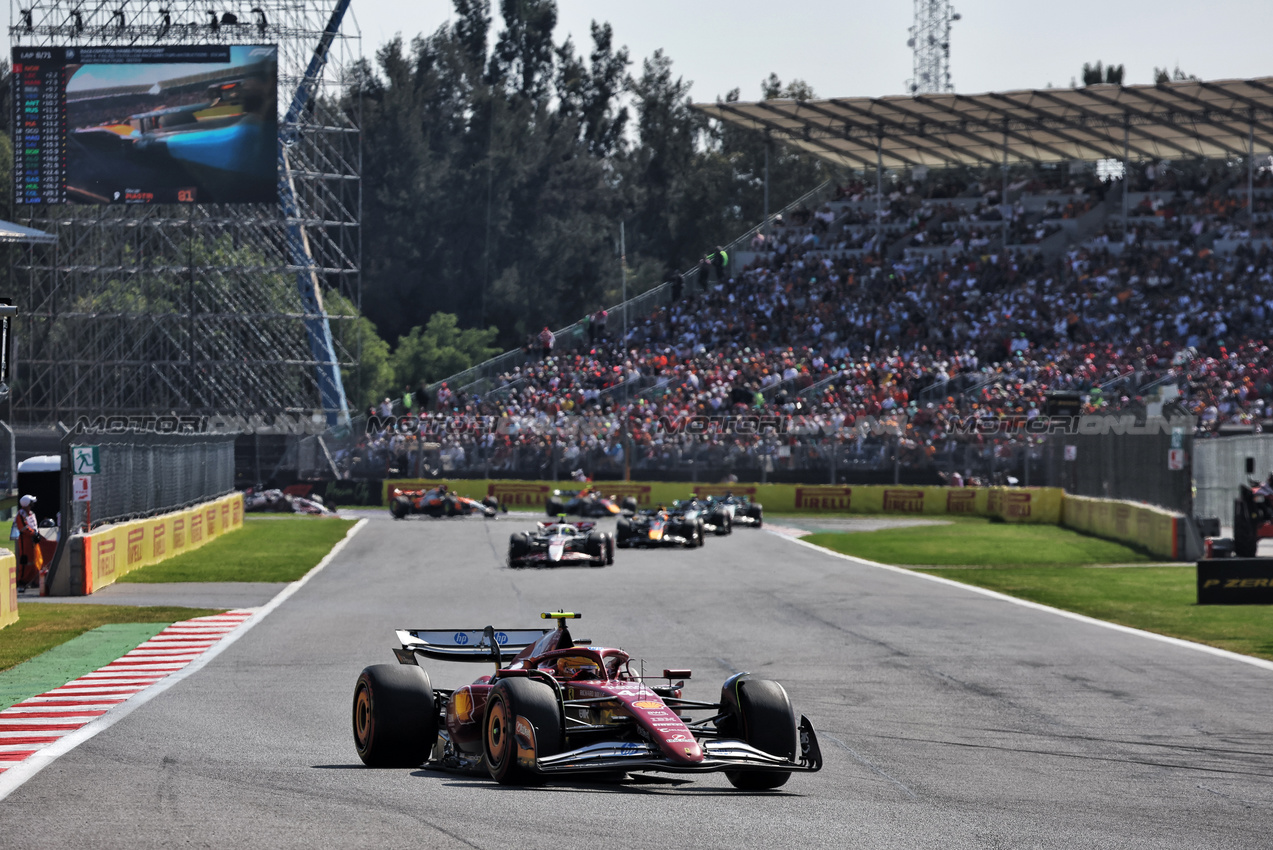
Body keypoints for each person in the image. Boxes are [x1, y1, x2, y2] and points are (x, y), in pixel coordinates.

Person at [14, 495, 41, 591]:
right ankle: (21, 582)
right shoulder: (21, 514)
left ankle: (31, 581)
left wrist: (37, 533)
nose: (32, 505)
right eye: (30, 503)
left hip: (32, 541)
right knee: (25, 561)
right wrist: (34, 533)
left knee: (34, 561)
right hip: (24, 542)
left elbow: (34, 525)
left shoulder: (31, 514)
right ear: (26, 504)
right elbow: (24, 528)